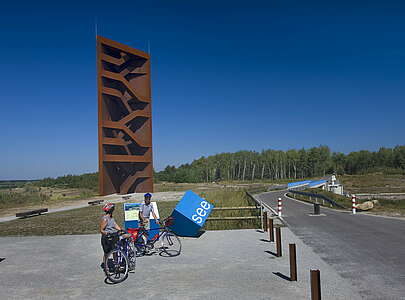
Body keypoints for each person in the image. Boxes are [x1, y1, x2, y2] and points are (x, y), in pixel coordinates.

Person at [99, 202, 122, 269]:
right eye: (112, 209)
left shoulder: (111, 218)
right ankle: (106, 267)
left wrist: (121, 230)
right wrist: (107, 233)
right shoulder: (105, 219)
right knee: (107, 253)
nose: (113, 210)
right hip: (106, 238)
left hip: (113, 237)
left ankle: (116, 265)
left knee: (114, 251)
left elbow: (115, 225)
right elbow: (101, 230)